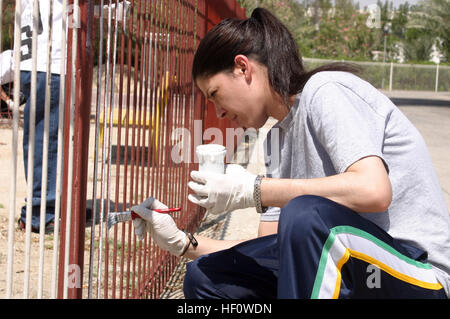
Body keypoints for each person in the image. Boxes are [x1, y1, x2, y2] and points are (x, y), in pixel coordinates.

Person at [131, 8, 450, 299]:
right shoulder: (275, 140)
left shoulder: (326, 92)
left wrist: (256, 190)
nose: (219, 111)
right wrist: (183, 243)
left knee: (305, 215)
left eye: (215, 94)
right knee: (208, 277)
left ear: (243, 68)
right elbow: (271, 250)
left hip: (416, 275)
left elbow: (373, 190)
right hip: (355, 274)